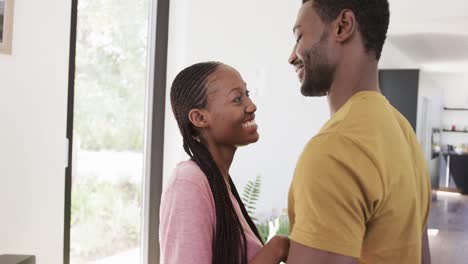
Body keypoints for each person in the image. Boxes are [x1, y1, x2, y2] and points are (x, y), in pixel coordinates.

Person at [286, 1, 432, 263]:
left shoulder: (336, 148)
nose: (292, 56)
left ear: (343, 26)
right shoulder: (402, 131)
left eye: (299, 36)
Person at [159, 61, 289, 264]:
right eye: (237, 99)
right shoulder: (188, 183)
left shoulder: (219, 183)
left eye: (247, 94)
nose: (251, 106)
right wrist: (277, 248)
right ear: (200, 117)